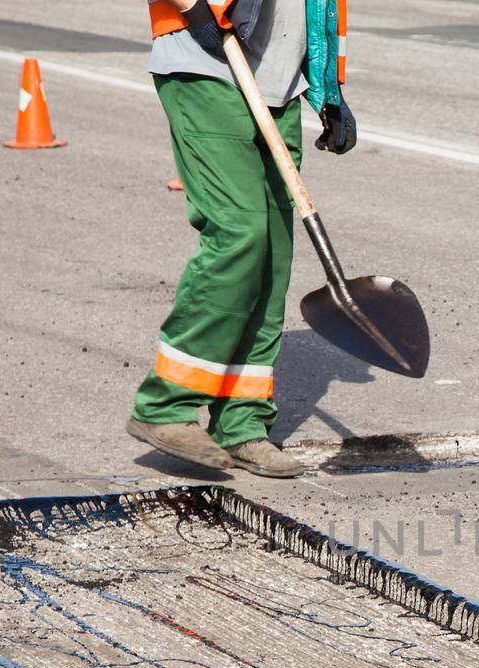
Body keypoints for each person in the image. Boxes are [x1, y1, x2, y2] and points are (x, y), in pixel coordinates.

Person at [127, 0, 355, 477]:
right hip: (205, 62)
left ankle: (242, 423)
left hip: (280, 84)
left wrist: (329, 90)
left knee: (272, 254)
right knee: (240, 233)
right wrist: (193, 7)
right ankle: (165, 406)